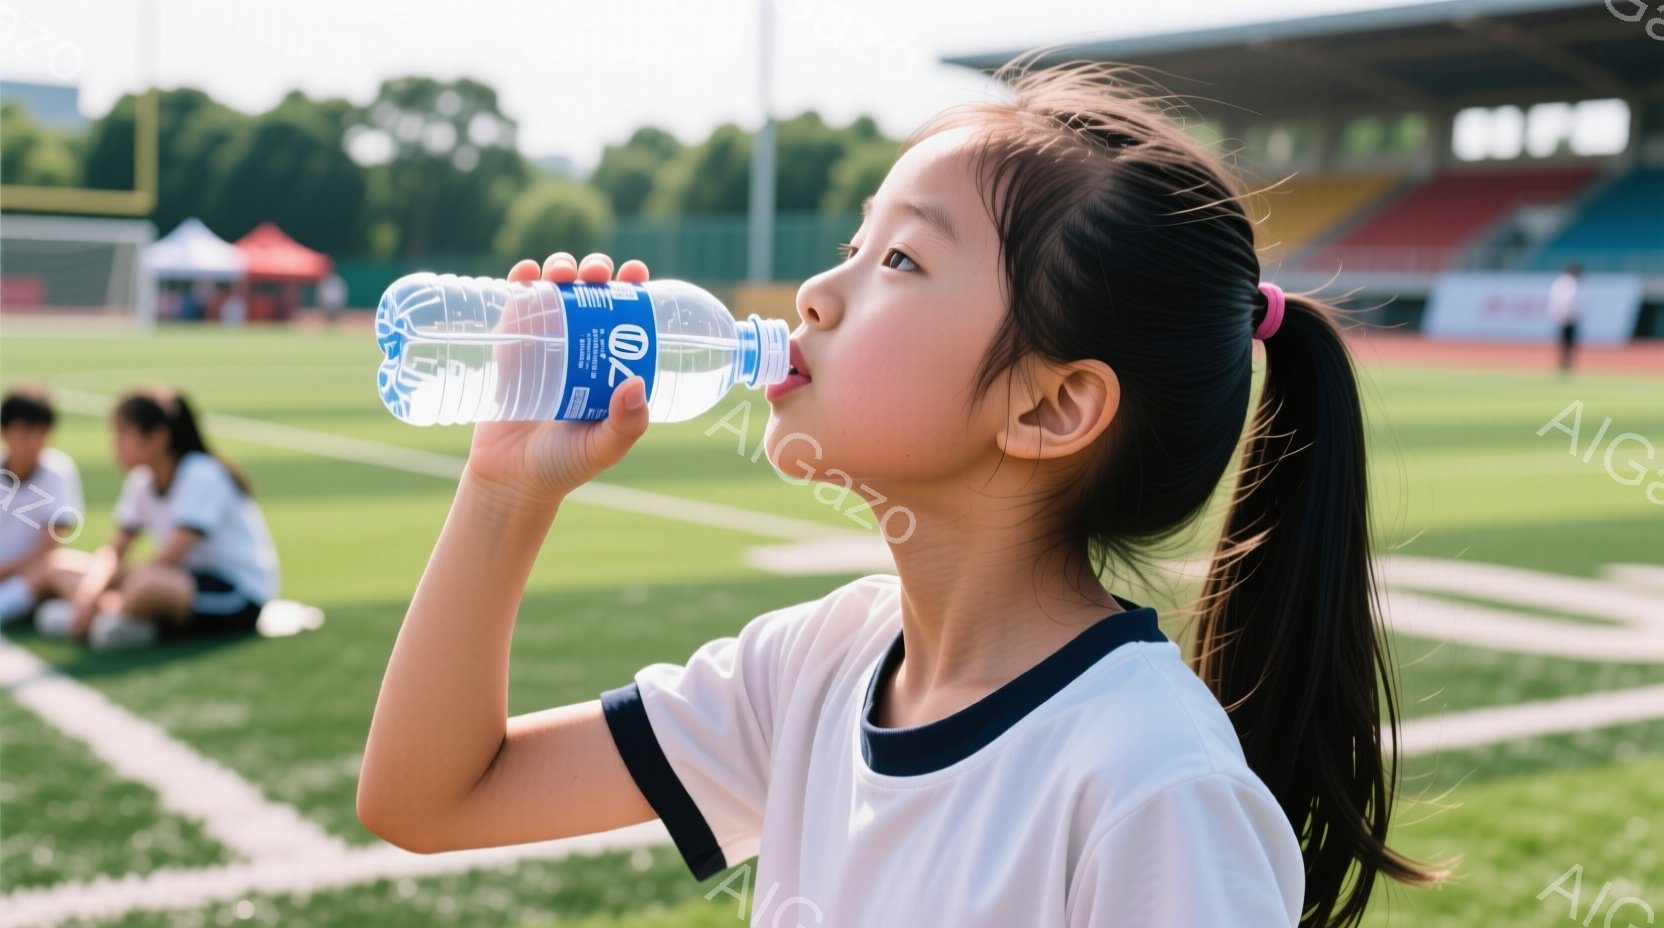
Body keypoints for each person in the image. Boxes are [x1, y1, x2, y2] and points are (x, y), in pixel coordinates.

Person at [359, 59, 1442, 926]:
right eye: (852, 242)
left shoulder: (1149, 787)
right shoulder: (817, 664)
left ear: (1049, 408)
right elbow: (430, 796)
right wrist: (507, 487)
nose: (817, 295)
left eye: (901, 262)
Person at [34, 386, 280, 652]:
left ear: (158, 438)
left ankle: (113, 617)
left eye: (124, 434)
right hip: (179, 578)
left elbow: (172, 556)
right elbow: (115, 551)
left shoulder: (201, 474)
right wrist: (89, 595)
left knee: (147, 583)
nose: (116, 445)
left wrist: (99, 599)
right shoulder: (141, 480)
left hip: (234, 592)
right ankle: (114, 617)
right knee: (59, 564)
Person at [0, 384, 84, 629]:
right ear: (5, 432)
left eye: (42, 433)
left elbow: (50, 547)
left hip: (30, 574)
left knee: (54, 564)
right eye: (25, 433)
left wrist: (4, 571)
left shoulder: (58, 471)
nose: (34, 443)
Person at [1547, 261, 1582, 374]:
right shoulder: (1565, 282)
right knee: (1565, 342)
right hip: (1565, 317)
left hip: (1571, 317)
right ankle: (1563, 363)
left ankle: (1567, 363)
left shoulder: (1572, 283)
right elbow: (1562, 300)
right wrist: (1563, 313)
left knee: (1570, 343)